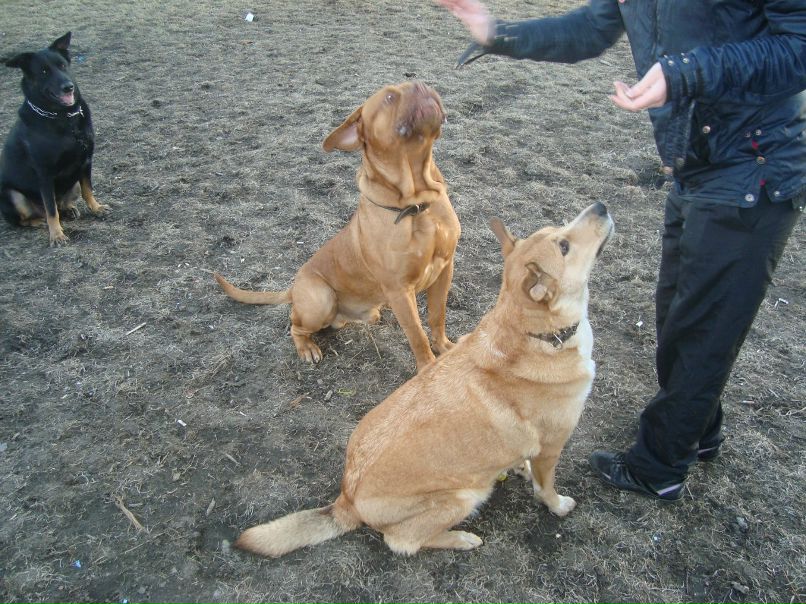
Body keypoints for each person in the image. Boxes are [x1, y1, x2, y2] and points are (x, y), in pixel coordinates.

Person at [437, 0, 805, 500]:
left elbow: (798, 46)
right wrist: (497, 34)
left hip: (753, 170)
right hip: (696, 163)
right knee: (680, 318)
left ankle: (660, 468)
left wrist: (687, 71)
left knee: (701, 331)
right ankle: (697, 431)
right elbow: (593, 26)